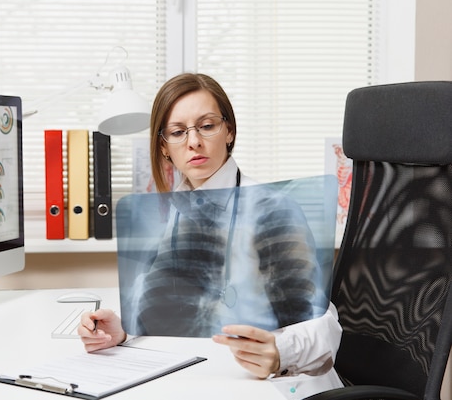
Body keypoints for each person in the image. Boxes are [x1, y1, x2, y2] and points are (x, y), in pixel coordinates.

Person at [78, 73, 342, 381]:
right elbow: (158, 301)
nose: (194, 142)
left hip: (261, 383)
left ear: (229, 130)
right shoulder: (169, 212)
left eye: (207, 126)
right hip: (188, 375)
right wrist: (121, 327)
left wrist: (281, 351)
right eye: (177, 132)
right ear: (164, 147)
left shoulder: (270, 208)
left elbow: (325, 324)